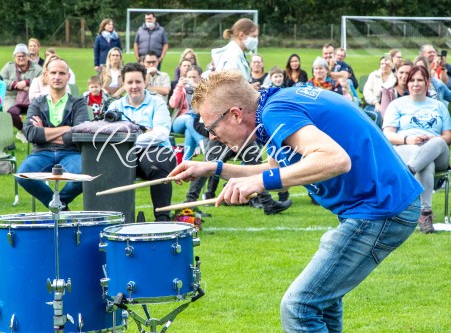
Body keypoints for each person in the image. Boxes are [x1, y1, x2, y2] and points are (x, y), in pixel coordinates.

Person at [169, 70, 422, 332]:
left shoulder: (275, 113)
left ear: (234, 114)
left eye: (211, 127)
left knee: (299, 307)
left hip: (381, 209)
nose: (210, 136)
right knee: (321, 303)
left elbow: (335, 159)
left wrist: (259, 184)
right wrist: (211, 168)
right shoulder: (274, 107)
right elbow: (273, 171)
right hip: (377, 206)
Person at [383, 65, 451, 234]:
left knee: (437, 142)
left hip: (438, 151)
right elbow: (388, 135)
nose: (416, 84)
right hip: (407, 148)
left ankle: (407, 173)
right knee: (426, 164)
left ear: (428, 82)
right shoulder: (397, 104)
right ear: (407, 84)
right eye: (412, 80)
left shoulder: (439, 106)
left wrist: (431, 139)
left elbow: (448, 137)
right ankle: (425, 214)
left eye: (420, 80)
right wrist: (408, 139)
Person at [106, 63, 176, 221]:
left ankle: (162, 218)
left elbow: (161, 134)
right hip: (123, 153)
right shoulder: (115, 106)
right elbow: (110, 137)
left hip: (156, 150)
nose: (134, 86)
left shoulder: (157, 103)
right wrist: (145, 133)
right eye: (129, 82)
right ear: (124, 84)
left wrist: (127, 139)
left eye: (138, 82)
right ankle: (117, 218)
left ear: (145, 82)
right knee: (106, 164)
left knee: (157, 163)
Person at [17, 57, 89, 210]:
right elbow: (30, 134)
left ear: (68, 77)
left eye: (62, 73)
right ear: (46, 76)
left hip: (70, 153)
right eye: (53, 72)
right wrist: (65, 129)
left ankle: (58, 204)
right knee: (23, 175)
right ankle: (60, 207)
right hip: (42, 153)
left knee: (83, 176)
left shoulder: (79, 103)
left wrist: (44, 132)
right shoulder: (37, 103)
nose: (57, 77)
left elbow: (78, 134)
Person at [0, 43, 42, 143]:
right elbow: (1, 81)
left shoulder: (37, 68)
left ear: (28, 56)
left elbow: (43, 79)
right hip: (12, 97)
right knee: (11, 112)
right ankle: (23, 130)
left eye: (24, 55)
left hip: (30, 97)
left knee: (37, 111)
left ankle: (37, 134)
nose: (21, 58)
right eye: (18, 56)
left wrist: (28, 82)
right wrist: (15, 84)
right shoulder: (8, 67)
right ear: (14, 57)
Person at [169, 65, 205, 160]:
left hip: (195, 123)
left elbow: (208, 102)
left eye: (194, 77)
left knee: (189, 130)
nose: (191, 79)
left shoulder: (204, 89)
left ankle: (186, 163)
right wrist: (179, 86)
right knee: (189, 119)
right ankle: (202, 143)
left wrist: (196, 87)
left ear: (200, 78)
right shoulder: (182, 88)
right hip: (180, 121)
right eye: (189, 77)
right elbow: (173, 104)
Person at [211, 18, 259, 85]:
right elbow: (229, 87)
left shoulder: (237, 53)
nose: (256, 40)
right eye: (254, 36)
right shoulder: (232, 57)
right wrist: (250, 89)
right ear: (241, 35)